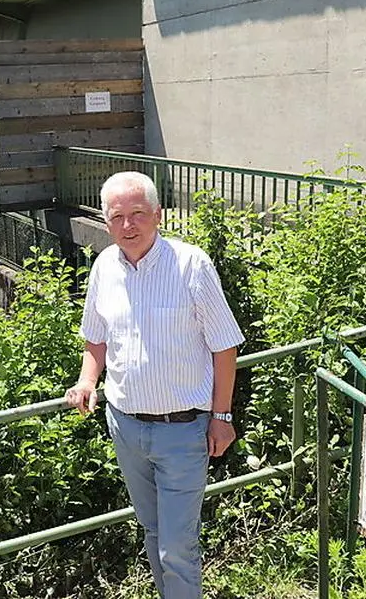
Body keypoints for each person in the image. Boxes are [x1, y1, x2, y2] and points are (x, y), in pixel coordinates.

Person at [65, 171, 244, 599]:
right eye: (118, 217)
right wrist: (87, 380)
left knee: (177, 548)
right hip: (125, 425)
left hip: (183, 430)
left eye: (138, 214)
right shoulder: (104, 267)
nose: (128, 225)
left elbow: (224, 347)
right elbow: (97, 337)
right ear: (106, 221)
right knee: (152, 531)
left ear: (158, 215)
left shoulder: (191, 264)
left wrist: (222, 416)